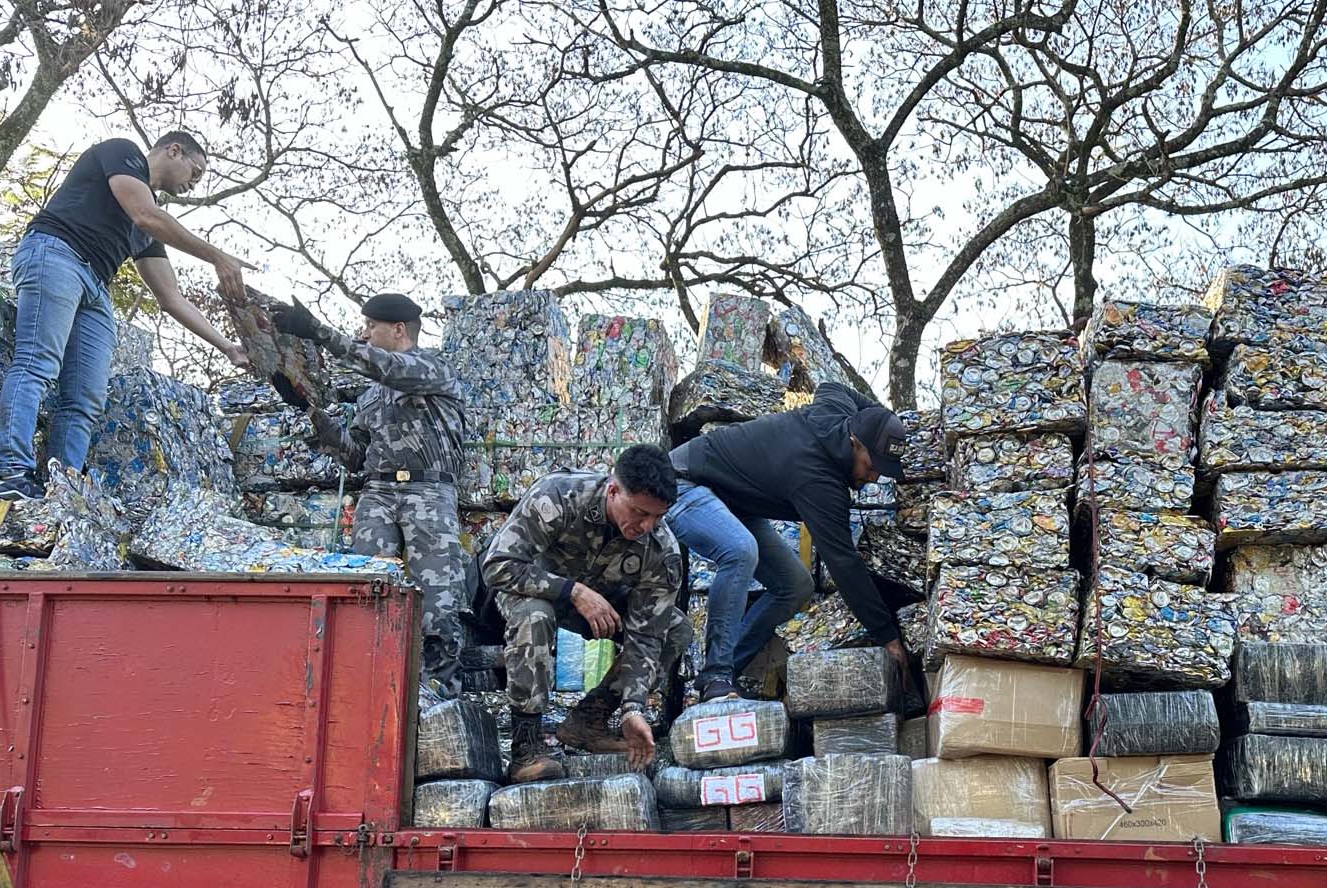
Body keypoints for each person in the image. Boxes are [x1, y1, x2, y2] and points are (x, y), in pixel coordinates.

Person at [0, 131, 250, 501]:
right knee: (37, 363)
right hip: (56, 253)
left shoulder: (151, 224)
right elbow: (144, 215)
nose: (194, 182)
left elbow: (171, 298)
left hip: (95, 285)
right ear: (174, 150)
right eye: (196, 170)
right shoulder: (122, 154)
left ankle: (62, 487)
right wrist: (217, 256)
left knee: (85, 396)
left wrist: (228, 348)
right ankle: (10, 474)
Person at [272, 293, 469, 697]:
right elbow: (355, 454)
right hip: (378, 491)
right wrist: (311, 412)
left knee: (437, 607)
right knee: (369, 592)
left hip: (428, 491)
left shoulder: (432, 370)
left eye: (370, 327)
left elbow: (387, 367)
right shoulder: (371, 396)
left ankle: (441, 701)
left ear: (398, 330)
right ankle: (372, 691)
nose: (363, 335)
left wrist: (319, 332)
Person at [663, 382, 908, 700]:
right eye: (871, 466)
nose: (873, 478)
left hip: (735, 502)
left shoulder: (836, 411)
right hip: (683, 481)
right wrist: (887, 636)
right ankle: (716, 677)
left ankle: (728, 670)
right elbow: (844, 564)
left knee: (796, 586)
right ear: (853, 442)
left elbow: (831, 386)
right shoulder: (819, 482)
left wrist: (882, 418)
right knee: (739, 551)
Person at [480, 446, 688, 782]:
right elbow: (498, 567)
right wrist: (573, 591)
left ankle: (589, 720)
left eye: (657, 517)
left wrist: (632, 706)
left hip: (600, 606)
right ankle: (526, 751)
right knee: (535, 616)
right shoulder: (559, 496)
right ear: (613, 490)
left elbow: (648, 634)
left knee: (676, 628)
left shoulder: (661, 550)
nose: (646, 525)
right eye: (638, 512)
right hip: (529, 587)